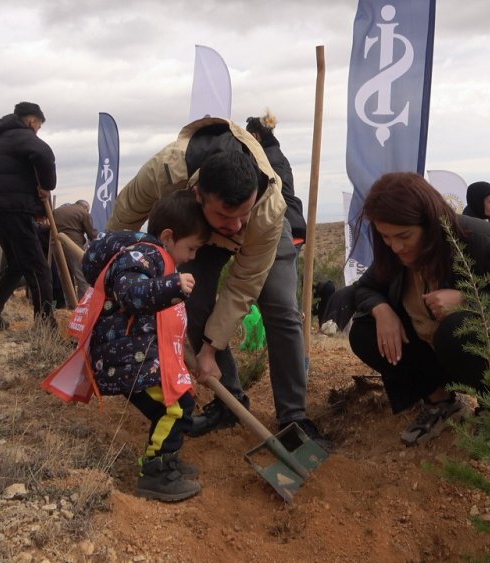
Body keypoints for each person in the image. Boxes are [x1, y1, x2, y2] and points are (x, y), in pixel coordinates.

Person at [106, 116, 328, 447]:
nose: (236, 226)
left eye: (242, 214)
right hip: (198, 230)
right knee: (189, 301)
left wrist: (210, 349)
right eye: (226, 215)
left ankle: (293, 416)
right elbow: (125, 218)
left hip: (266, 234)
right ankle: (229, 403)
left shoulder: (265, 210)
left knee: (281, 308)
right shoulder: (167, 171)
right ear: (198, 194)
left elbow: (242, 286)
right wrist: (111, 267)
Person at [349, 172, 490, 445]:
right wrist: (381, 310)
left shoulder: (483, 240)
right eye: (386, 237)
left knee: (456, 329)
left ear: (429, 223)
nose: (395, 246)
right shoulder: (396, 250)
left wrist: (468, 298)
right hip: (442, 355)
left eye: (404, 236)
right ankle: (441, 403)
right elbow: (363, 289)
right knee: (365, 330)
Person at [84, 190, 211, 502]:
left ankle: (167, 459)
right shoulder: (145, 255)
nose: (192, 257)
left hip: (134, 356)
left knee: (169, 408)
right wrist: (172, 285)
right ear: (168, 236)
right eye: (191, 248)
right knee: (178, 405)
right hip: (129, 357)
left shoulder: (154, 256)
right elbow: (131, 293)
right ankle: (156, 474)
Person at [0, 101, 57, 331]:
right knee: (39, 267)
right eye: (38, 126)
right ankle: (45, 326)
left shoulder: (0, 138)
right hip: (12, 206)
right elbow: (44, 154)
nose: (37, 131)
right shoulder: (22, 135)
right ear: (32, 121)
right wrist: (46, 185)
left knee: (17, 264)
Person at [246, 110, 307, 249]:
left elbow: (269, 192)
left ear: (255, 136)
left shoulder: (267, 159)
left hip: (282, 227)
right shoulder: (275, 156)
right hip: (288, 225)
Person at [53, 199, 97, 294]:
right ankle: (83, 303)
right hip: (73, 245)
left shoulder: (57, 211)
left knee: (65, 276)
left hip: (55, 245)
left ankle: (70, 304)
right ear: (85, 207)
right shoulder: (83, 212)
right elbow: (92, 234)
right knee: (81, 275)